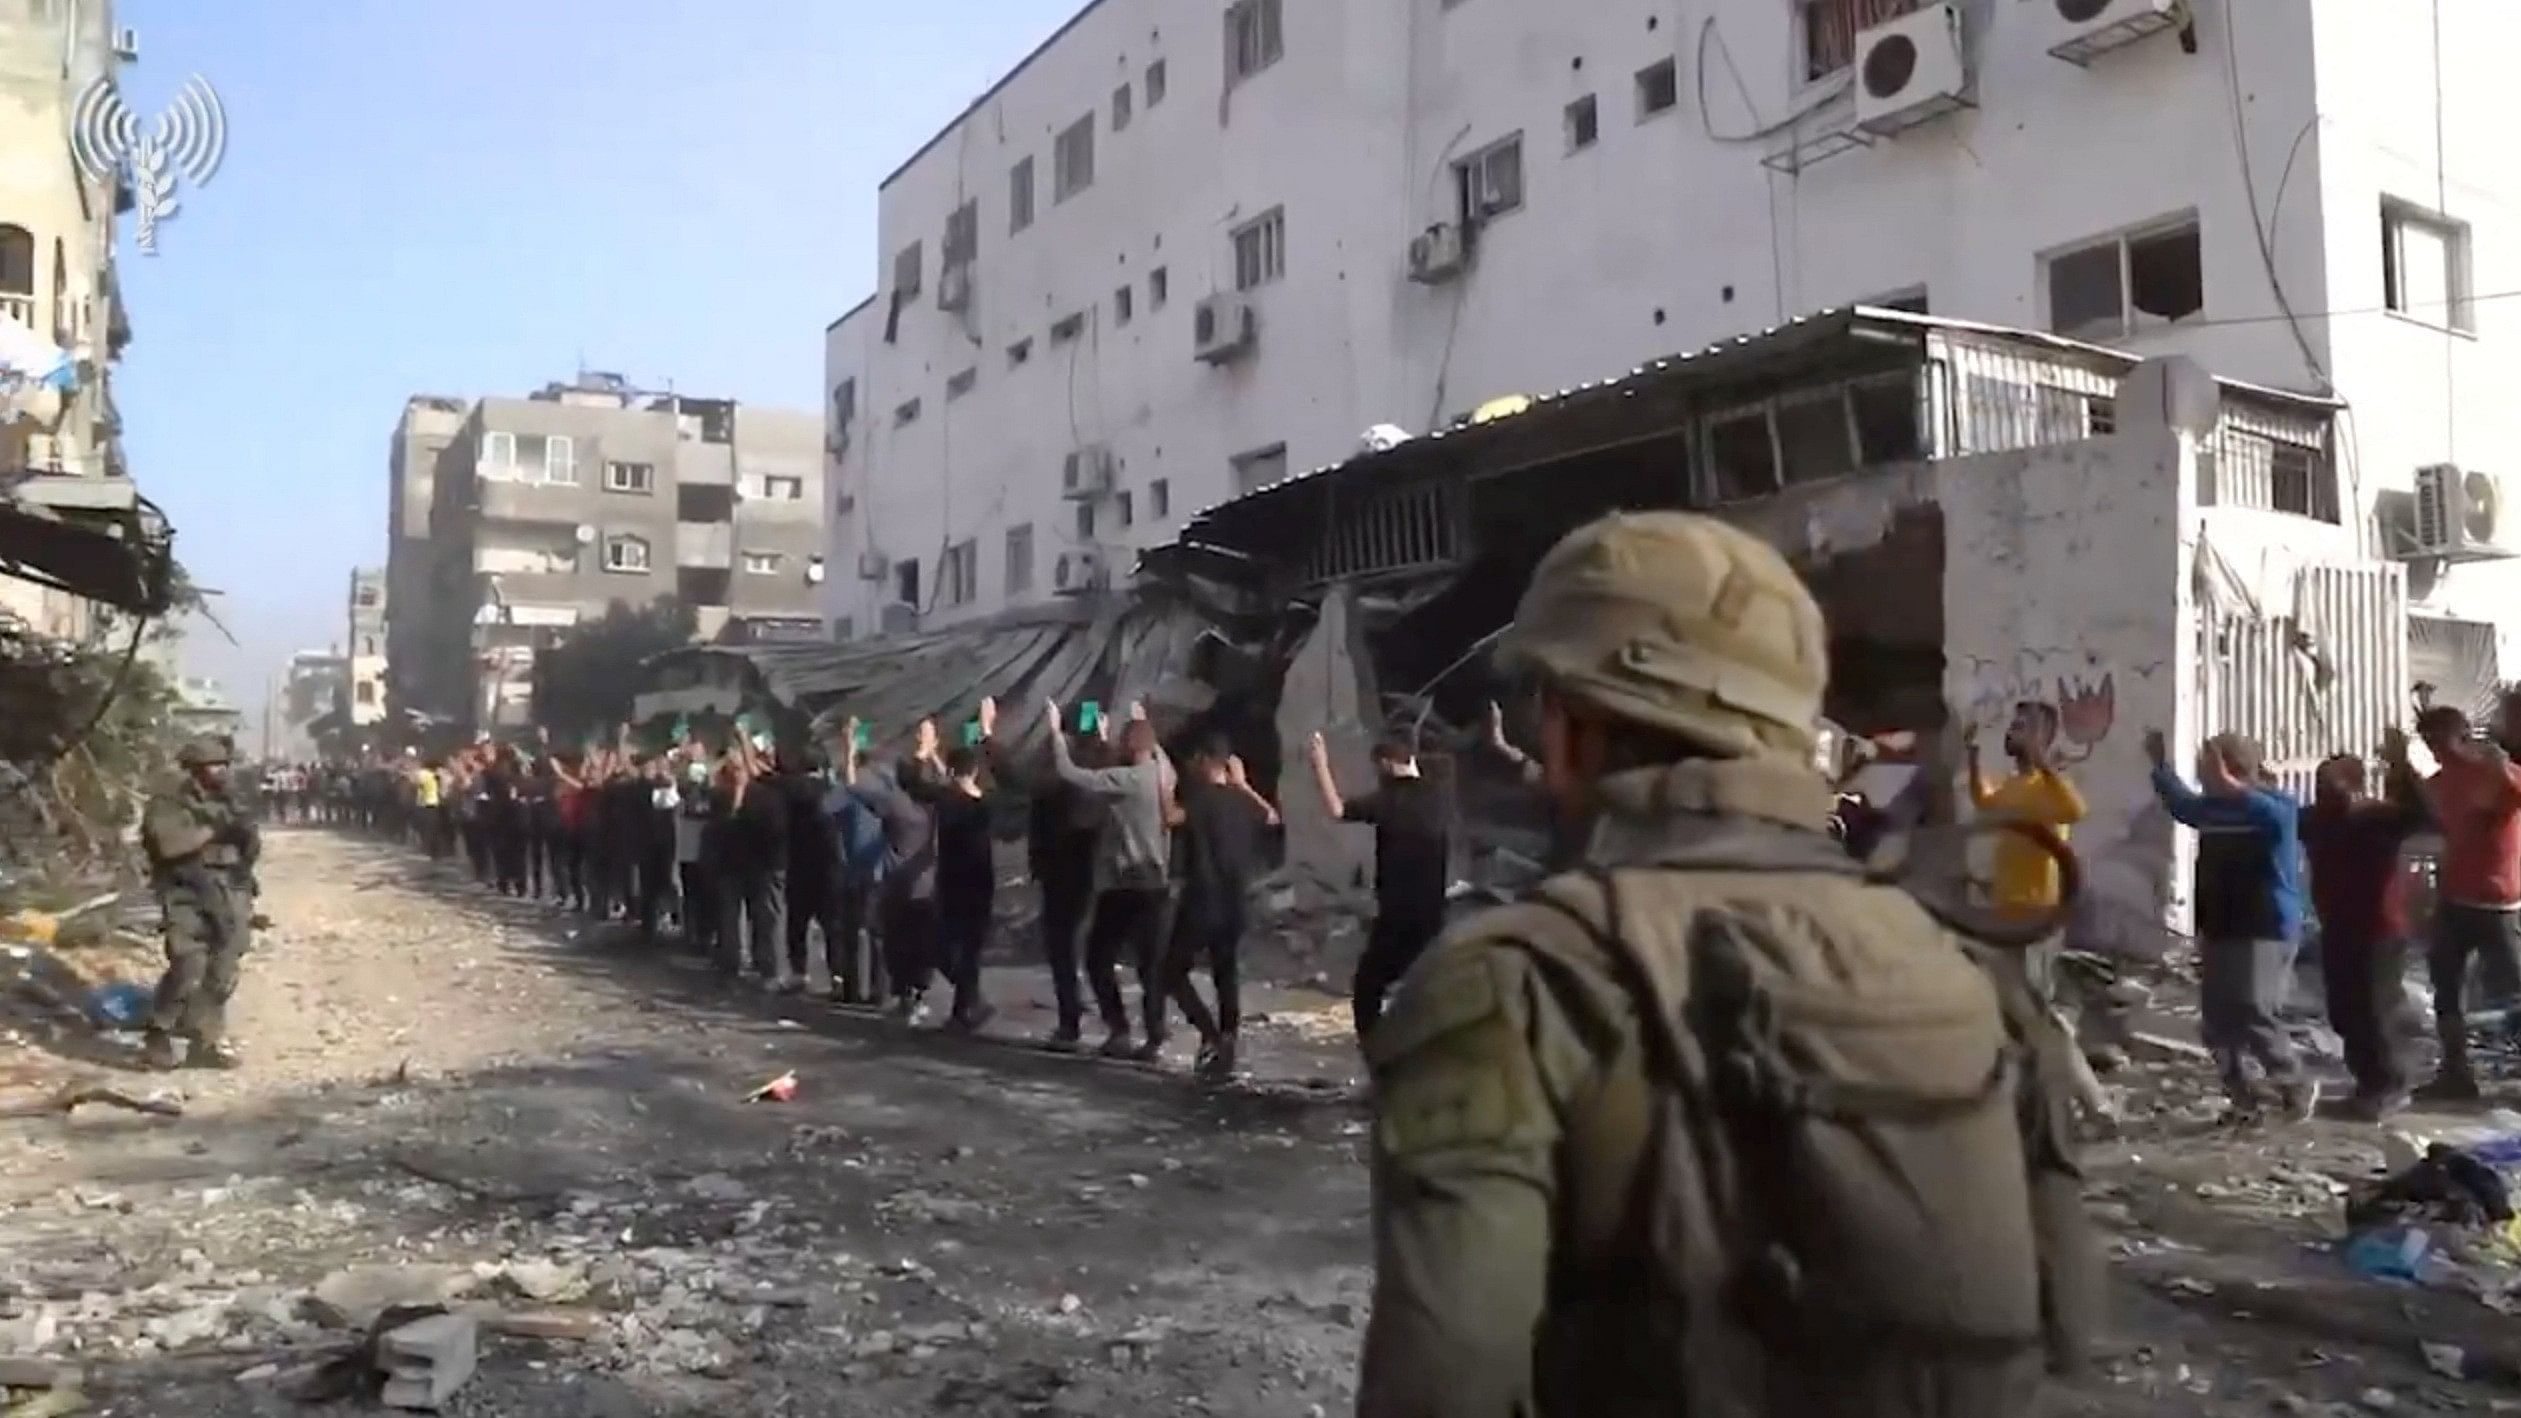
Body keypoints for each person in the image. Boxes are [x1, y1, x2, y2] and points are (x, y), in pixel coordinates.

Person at [1357, 511, 2095, 1418]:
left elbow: (1442, 1388)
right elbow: (2064, 1337)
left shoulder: (1516, 983)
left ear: (1570, 727)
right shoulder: (1970, 963)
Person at [2145, 728, 2316, 1122]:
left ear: (2233, 768)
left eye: (2209, 767)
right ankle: (2244, 1098)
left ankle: (2293, 1083)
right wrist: (2160, 767)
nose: (2203, 777)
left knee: (2255, 1010)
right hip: (2222, 924)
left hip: (2265, 925)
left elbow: (2255, 806)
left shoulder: (2275, 807)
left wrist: (2221, 779)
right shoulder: (2214, 808)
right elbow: (2182, 805)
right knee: (2218, 1021)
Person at [2303, 732, 2427, 1119]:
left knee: (2375, 1011)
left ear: (2354, 785)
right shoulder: (2316, 820)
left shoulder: (2378, 819)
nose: (2328, 788)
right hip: (2337, 926)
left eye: (2336, 781)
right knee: (2344, 1010)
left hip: (2378, 931)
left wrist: (2402, 766)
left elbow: (2425, 816)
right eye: (2323, 781)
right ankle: (2368, 1083)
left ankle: (2390, 1086)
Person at [1048, 700, 1179, 1060]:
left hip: (1125, 884)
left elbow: (1071, 773)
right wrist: (1138, 720)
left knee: (1097, 957)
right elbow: (1154, 752)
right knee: (1150, 965)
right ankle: (1154, 1036)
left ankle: (1118, 1028)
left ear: (1128, 747)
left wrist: (1057, 733)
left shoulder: (1125, 781)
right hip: (1157, 883)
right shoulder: (1161, 772)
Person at [1306, 728, 1451, 1042]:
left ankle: (1377, 1056)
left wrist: (1320, 763)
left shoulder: (1389, 799)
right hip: (1433, 914)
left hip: (1397, 913)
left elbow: (1338, 809)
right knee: (1421, 986)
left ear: (1385, 765)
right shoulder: (1440, 791)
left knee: (1368, 987)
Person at [2414, 702, 2521, 1100]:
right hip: (2455, 897)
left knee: (2513, 991)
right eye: (2429, 744)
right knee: (2447, 989)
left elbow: (2515, 793)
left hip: (2497, 902)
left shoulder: (2494, 773)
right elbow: (2433, 813)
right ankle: (2455, 1073)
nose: (2437, 750)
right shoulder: (2445, 781)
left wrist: (2498, 765)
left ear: (2464, 737)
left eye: (2441, 742)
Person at [138, 737, 261, 1071]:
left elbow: (250, 847)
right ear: (193, 769)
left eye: (224, 764)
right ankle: (158, 1032)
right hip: (185, 887)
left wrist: (242, 835)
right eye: (212, 765)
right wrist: (214, 829)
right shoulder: (168, 802)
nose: (220, 771)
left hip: (228, 887)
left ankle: (206, 1040)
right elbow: (170, 846)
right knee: (188, 963)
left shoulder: (230, 799)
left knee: (224, 967)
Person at [1160, 737, 1278, 1080]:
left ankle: (1210, 1035)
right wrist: (1243, 785)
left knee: (1172, 971)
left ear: (1203, 760)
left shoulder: (1200, 800)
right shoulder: (1243, 802)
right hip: (1236, 903)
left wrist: (1163, 780)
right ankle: (1228, 1038)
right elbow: (1271, 817)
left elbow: (1169, 818)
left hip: (1202, 901)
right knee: (1226, 971)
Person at [1966, 703, 2088, 986]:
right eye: (2013, 725)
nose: (2010, 732)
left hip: (2040, 909)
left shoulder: (2050, 786)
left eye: (2021, 727)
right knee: (2009, 987)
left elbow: (2077, 811)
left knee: (2036, 989)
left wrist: (2042, 761)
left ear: (2041, 738)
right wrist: (1972, 759)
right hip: (2006, 904)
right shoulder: (2012, 784)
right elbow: (1985, 801)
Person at [931, 709, 1001, 1032]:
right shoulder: (983, 804)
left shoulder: (948, 801)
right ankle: (969, 1005)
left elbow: (925, 788)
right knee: (968, 950)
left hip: (954, 883)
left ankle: (967, 1007)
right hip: (979, 883)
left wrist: (929, 755)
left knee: (947, 946)